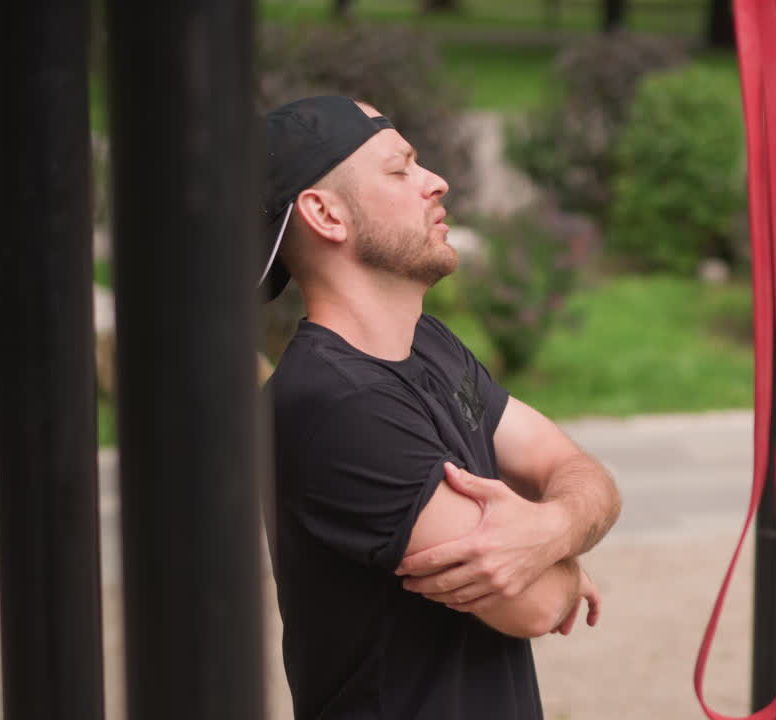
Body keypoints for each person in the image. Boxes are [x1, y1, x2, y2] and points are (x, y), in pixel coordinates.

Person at [259, 95, 621, 720]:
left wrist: (548, 531)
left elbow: (572, 465)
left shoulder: (429, 343)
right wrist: (562, 559)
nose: (436, 182)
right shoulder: (333, 406)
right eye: (400, 170)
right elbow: (533, 606)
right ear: (327, 214)